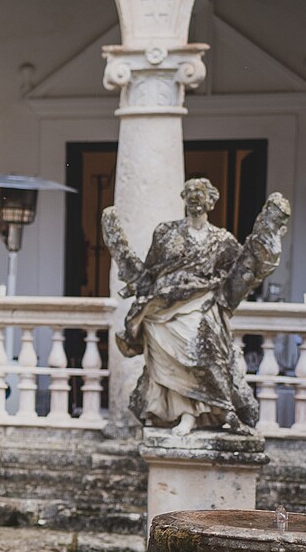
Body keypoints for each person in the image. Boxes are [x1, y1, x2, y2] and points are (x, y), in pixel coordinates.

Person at [104, 178, 290, 435]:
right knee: (170, 362)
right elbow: (149, 273)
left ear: (211, 200)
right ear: (183, 197)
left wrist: (268, 235)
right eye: (189, 191)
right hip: (163, 311)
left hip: (201, 307)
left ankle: (221, 409)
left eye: (200, 192)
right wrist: (118, 246)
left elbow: (238, 277)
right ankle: (186, 413)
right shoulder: (166, 233)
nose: (194, 196)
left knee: (202, 351)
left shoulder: (222, 240)